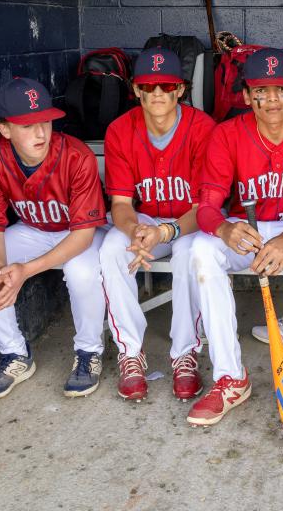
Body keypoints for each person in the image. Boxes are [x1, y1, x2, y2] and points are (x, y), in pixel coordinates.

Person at [187, 48, 283, 433]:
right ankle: (230, 378)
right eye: (261, 90)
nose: (271, 99)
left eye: (280, 90)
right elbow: (206, 207)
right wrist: (224, 229)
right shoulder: (226, 134)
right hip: (247, 231)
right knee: (201, 250)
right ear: (246, 96)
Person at [0, 77, 106, 400]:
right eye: (28, 125)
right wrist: (4, 270)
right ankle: (15, 353)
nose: (41, 132)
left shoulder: (76, 156)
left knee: (80, 271)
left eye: (45, 120)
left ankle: (89, 352)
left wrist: (25, 271)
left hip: (80, 232)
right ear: (4, 129)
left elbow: (83, 235)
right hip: (34, 229)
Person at [100, 47, 216, 402]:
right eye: (148, 86)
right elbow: (120, 204)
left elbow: (206, 207)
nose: (157, 94)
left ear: (180, 89)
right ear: (135, 90)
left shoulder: (202, 128)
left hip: (190, 220)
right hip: (145, 218)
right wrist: (134, 231)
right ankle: (130, 353)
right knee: (111, 250)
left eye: (166, 85)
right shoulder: (120, 130)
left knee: (189, 255)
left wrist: (165, 232)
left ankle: (184, 353)